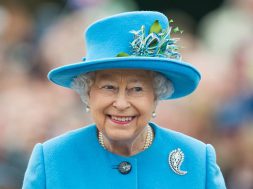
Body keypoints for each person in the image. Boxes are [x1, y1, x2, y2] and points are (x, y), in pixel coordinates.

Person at [22, 11, 226, 188]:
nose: (120, 104)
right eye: (108, 87)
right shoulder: (51, 160)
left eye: (136, 89)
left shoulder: (197, 160)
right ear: (87, 94)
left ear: (156, 95)